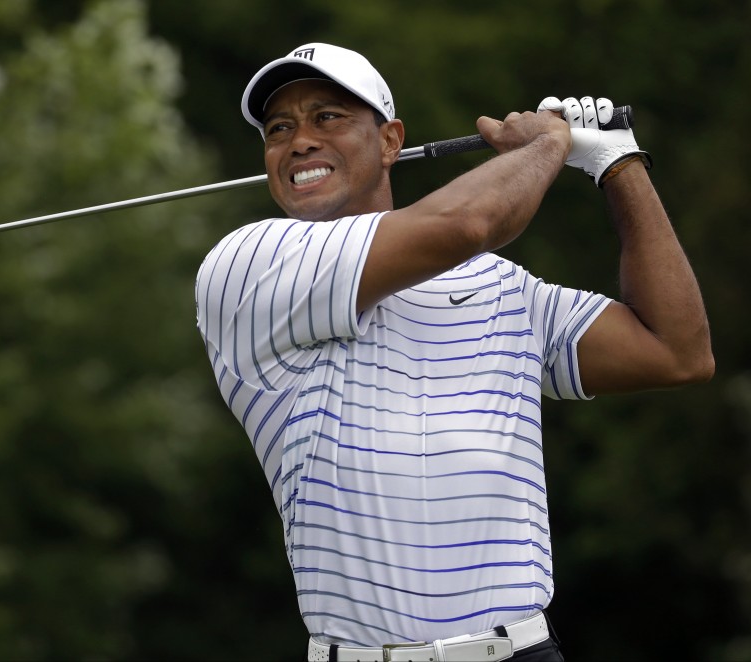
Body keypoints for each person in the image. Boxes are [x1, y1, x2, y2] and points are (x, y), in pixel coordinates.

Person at [194, 43, 713, 662]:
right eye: (279, 129)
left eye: (327, 117)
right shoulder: (247, 266)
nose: (300, 140)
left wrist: (619, 164)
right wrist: (547, 143)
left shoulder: (503, 288)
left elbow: (677, 351)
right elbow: (464, 224)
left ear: (391, 141)